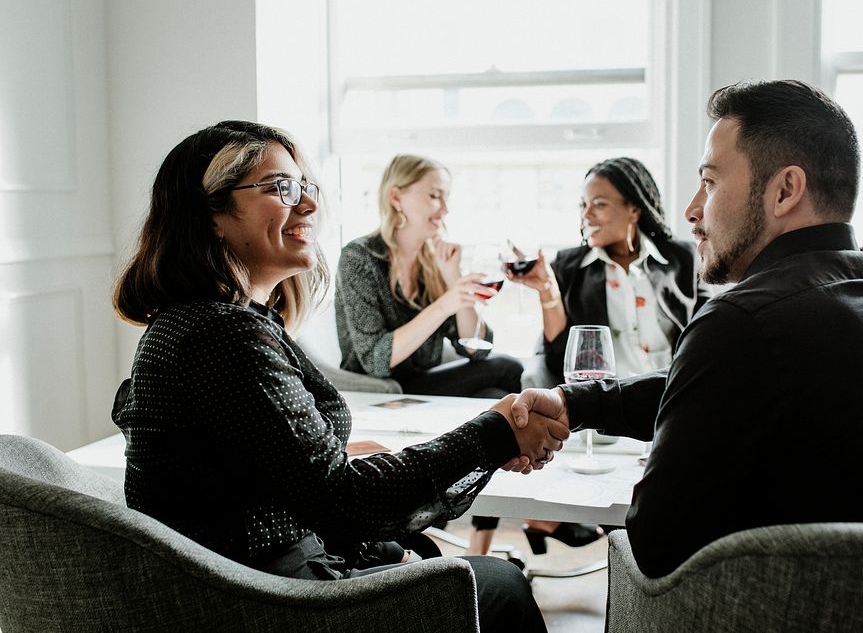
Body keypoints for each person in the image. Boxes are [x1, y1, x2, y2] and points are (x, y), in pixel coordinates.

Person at [110, 121, 565, 632]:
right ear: (210, 214)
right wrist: (496, 431)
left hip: (249, 575)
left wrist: (337, 453)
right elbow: (346, 504)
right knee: (499, 585)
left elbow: (239, 463)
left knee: (428, 553)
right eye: (282, 187)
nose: (307, 204)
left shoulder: (214, 321)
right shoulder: (222, 335)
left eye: (306, 187)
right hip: (254, 600)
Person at [510, 80, 863, 579]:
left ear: (784, 191)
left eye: (709, 182)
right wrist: (577, 403)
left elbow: (655, 542)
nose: (691, 210)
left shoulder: (742, 321)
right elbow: (717, 387)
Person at [506, 156, 710, 551]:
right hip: (608, 408)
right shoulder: (569, 265)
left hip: (671, 402)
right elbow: (558, 356)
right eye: (583, 205)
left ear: (634, 208)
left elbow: (704, 334)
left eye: (599, 203)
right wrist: (548, 291)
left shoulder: (684, 259)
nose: (587, 214)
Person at [334, 153, 524, 554]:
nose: (444, 209)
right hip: (380, 383)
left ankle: (479, 546)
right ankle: (463, 536)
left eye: (446, 197)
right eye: (435, 196)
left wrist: (456, 284)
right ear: (397, 197)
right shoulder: (359, 257)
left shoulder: (432, 260)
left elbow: (473, 348)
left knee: (497, 400)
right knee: (508, 375)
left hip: (420, 379)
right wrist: (446, 301)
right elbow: (376, 357)